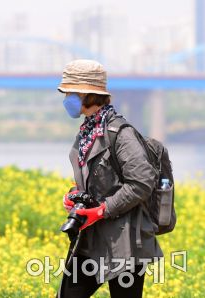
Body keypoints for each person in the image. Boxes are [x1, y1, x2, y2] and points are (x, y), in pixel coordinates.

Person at [55, 60, 163, 298]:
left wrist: (102, 210)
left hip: (126, 242)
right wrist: (75, 194)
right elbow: (99, 178)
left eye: (72, 93)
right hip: (90, 238)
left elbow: (142, 182)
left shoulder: (121, 133)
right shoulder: (87, 131)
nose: (67, 99)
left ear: (89, 94)